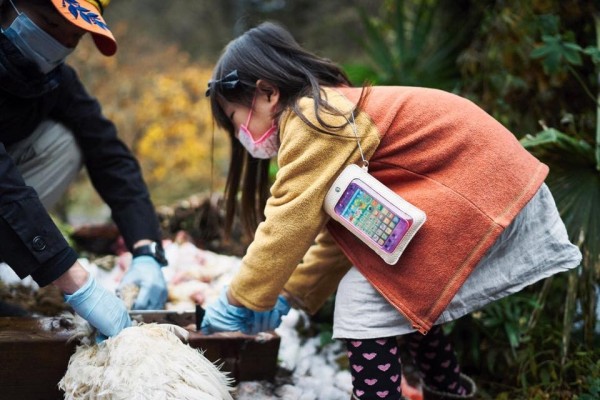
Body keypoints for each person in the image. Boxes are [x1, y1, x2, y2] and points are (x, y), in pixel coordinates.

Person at [201, 21, 582, 399]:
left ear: (267, 93)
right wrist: (290, 294)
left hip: (486, 194)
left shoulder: (313, 119)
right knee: (393, 283)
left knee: (361, 302)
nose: (242, 135)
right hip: (498, 189)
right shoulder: (330, 112)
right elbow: (351, 232)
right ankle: (445, 390)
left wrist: (238, 299)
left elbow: (286, 223)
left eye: (236, 119)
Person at [0, 0, 168, 339]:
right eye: (49, 22)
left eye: (73, 36)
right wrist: (73, 278)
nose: (59, 40)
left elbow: (108, 153)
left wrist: (145, 248)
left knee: (68, 139)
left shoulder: (50, 80)